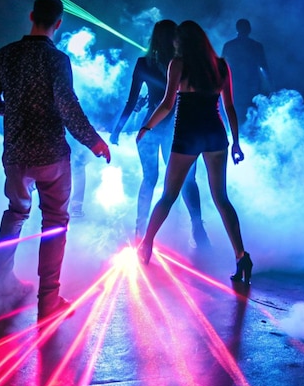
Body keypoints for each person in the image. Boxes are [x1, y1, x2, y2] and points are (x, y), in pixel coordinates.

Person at [0, 0, 111, 320]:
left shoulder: (3, 55)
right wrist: (94, 141)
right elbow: (67, 106)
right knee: (54, 222)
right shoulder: (57, 60)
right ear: (58, 23)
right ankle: (48, 301)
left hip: (15, 154)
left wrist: (15, 108)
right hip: (52, 155)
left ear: (31, 16)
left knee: (15, 213)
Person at [136, 20, 251, 283]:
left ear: (182, 42)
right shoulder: (220, 65)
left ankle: (146, 244)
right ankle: (241, 256)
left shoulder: (178, 64)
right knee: (222, 198)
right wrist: (236, 142)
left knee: (168, 195)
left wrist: (147, 126)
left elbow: (167, 104)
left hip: (187, 135)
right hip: (215, 135)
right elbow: (230, 107)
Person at [110, 19, 209, 248]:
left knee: (150, 178)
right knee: (186, 180)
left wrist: (118, 129)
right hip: (179, 127)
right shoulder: (185, 63)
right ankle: (197, 228)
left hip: (154, 127)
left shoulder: (144, 63)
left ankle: (140, 231)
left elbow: (132, 99)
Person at [222, 18, 272, 125]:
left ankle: (239, 135)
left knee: (236, 112)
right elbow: (264, 67)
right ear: (249, 29)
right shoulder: (256, 46)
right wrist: (269, 84)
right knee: (252, 113)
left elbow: (222, 67)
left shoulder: (229, 45)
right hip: (250, 85)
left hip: (235, 85)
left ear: (237, 29)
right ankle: (250, 136)